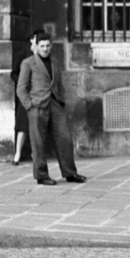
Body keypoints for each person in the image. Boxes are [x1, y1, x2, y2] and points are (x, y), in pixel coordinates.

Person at [15, 29, 87, 186]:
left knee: (65, 138)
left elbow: (59, 84)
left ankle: (70, 173)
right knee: (38, 142)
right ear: (36, 46)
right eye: (42, 46)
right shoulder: (28, 63)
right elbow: (21, 88)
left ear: (51, 45)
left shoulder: (54, 62)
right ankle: (41, 176)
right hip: (37, 106)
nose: (45, 49)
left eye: (48, 45)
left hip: (55, 105)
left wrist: (61, 100)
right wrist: (30, 106)